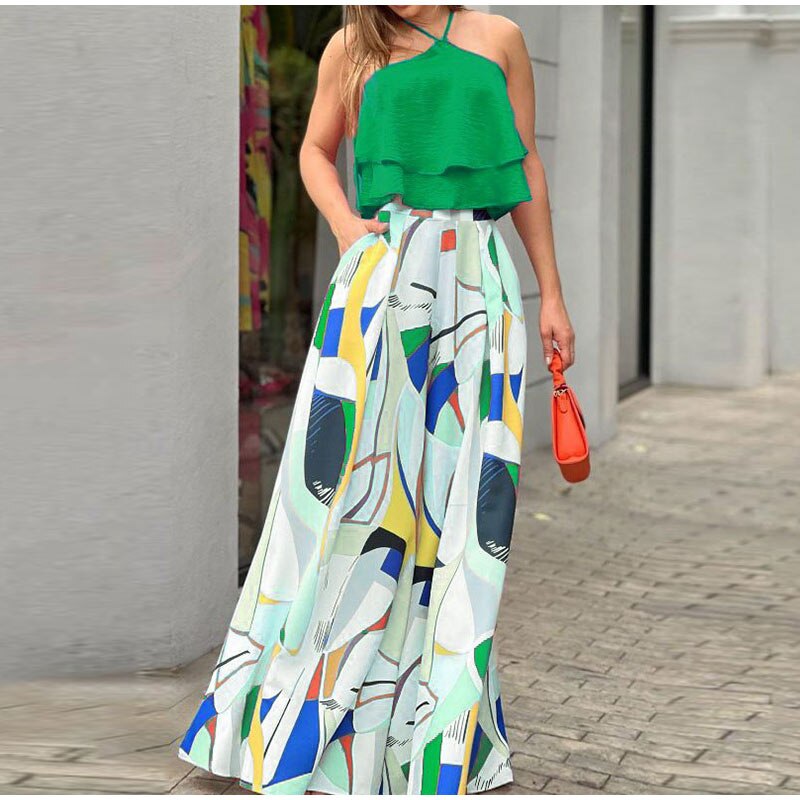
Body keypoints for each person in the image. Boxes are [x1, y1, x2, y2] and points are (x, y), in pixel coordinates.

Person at [178, 5, 574, 795]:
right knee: (353, 504)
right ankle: (301, 723)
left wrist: (551, 293)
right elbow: (314, 150)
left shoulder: (499, 38)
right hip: (385, 280)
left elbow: (525, 164)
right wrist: (346, 226)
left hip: (480, 285)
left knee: (467, 512)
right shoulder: (351, 46)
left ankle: (437, 737)